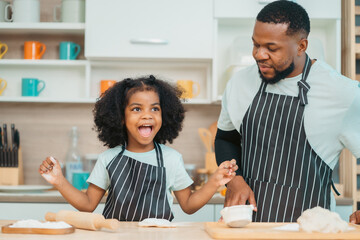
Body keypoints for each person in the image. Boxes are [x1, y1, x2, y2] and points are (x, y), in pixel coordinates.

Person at [215, 0, 360, 223]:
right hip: (246, 230)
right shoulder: (240, 82)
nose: (259, 55)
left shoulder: (343, 93)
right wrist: (234, 179)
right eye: (255, 44)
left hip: (310, 233)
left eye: (271, 48)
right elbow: (226, 138)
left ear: (301, 46)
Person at [39, 75, 237, 221]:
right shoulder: (109, 158)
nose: (147, 115)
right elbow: (88, 204)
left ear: (164, 115)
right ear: (120, 117)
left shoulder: (171, 158)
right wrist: (59, 181)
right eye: (136, 109)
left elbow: (189, 205)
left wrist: (215, 181)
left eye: (155, 108)